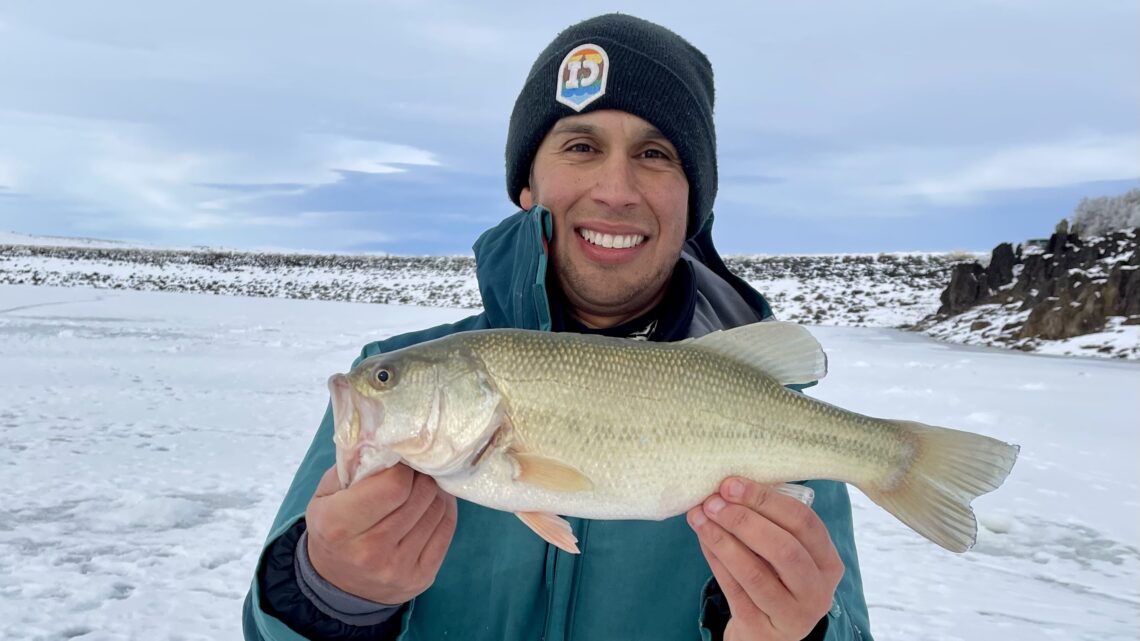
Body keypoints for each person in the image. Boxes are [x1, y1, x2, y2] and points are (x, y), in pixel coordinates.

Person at [243, 13, 873, 641]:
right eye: (581, 146)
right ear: (527, 184)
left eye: (655, 154)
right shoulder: (393, 382)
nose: (616, 188)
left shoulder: (774, 415)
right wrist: (333, 594)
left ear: (693, 203)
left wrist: (798, 633)